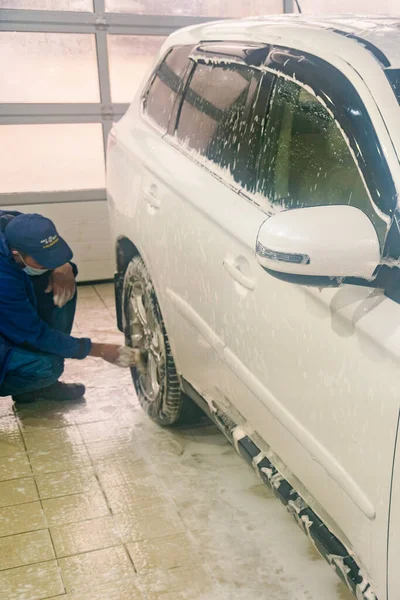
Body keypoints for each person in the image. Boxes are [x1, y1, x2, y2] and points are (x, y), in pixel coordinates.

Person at [0, 210, 136, 404]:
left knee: (64, 282)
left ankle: (35, 388)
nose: (48, 265)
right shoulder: (3, 279)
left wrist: (63, 266)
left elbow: (49, 256)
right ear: (16, 254)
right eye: (42, 262)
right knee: (47, 368)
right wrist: (99, 350)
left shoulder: (17, 225)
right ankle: (34, 383)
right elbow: (33, 334)